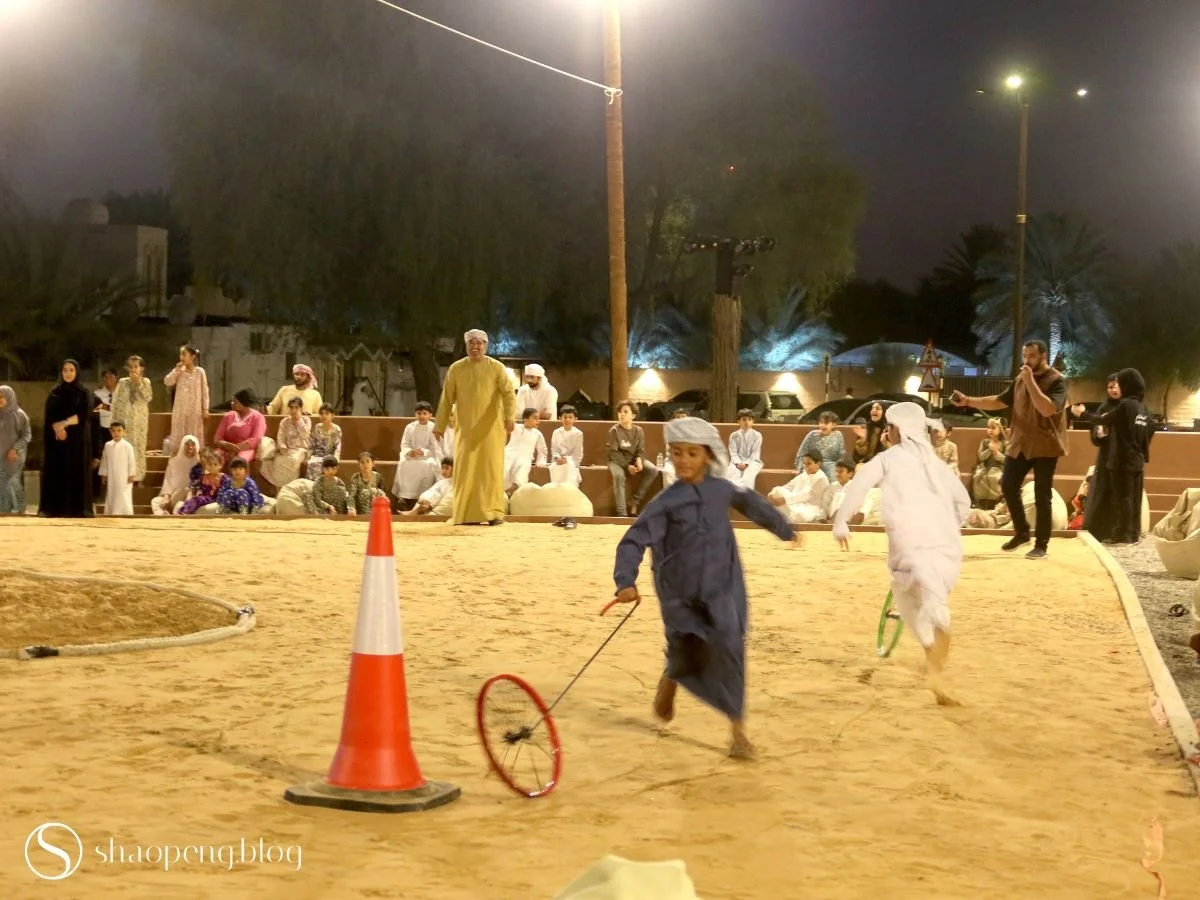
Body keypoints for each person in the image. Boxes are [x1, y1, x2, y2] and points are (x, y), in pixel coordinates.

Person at [611, 416, 800, 760]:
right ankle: (672, 675)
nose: (683, 460)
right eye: (677, 453)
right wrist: (626, 581)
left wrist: (785, 529)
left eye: (692, 453)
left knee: (730, 646)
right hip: (679, 591)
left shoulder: (722, 489)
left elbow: (754, 505)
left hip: (722, 586)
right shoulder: (665, 502)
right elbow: (633, 541)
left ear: (709, 456)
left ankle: (737, 732)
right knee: (686, 647)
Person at [831, 402, 972, 705]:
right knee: (931, 605)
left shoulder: (888, 459)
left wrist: (841, 521)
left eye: (889, 427)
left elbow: (858, 487)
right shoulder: (936, 464)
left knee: (917, 608)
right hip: (940, 548)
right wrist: (949, 526)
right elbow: (963, 502)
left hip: (909, 548)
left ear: (896, 430)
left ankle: (935, 670)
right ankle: (935, 668)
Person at [951, 339, 1068, 560]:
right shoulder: (1021, 379)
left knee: (1042, 494)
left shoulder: (1057, 381)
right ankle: (1022, 532)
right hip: (1021, 443)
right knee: (1007, 485)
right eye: (1025, 356)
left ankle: (1041, 544)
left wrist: (1030, 381)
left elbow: (1047, 409)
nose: (1027, 361)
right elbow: (999, 401)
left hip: (1046, 445)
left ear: (1043, 356)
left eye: (1031, 356)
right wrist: (968, 401)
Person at [433, 329, 517, 526]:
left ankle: (494, 514)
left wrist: (509, 417)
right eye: (472, 343)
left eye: (479, 343)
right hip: (466, 430)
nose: (475, 346)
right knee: (465, 471)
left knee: (490, 471)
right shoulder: (456, 369)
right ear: (466, 345)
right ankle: (466, 514)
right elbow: (447, 399)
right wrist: (440, 424)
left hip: (491, 429)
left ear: (485, 345)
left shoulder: (496, 368)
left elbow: (508, 394)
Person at [1071, 367, 1153, 544]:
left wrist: (1083, 414)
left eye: (1120, 384)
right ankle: (1132, 533)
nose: (1117, 389)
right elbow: (1150, 429)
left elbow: (1103, 420)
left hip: (1121, 460)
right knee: (1133, 497)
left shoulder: (1125, 405)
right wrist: (1139, 447)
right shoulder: (1142, 407)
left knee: (1122, 498)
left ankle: (1122, 534)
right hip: (1136, 460)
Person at [39, 359, 94, 518]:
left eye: (71, 370)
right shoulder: (55, 392)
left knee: (76, 471)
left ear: (76, 372)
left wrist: (64, 424)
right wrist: (57, 428)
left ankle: (78, 509)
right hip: (58, 441)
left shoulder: (84, 392)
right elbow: (49, 416)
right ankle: (53, 508)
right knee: (57, 470)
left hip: (77, 441)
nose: (68, 373)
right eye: (65, 370)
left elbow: (85, 414)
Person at [1074, 374, 1121, 540]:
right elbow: (1096, 434)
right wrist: (1099, 434)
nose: (1113, 390)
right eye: (1110, 387)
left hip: (1122, 460)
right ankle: (1099, 531)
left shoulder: (1128, 406)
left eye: (1116, 386)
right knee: (1102, 493)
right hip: (1106, 457)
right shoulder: (1104, 408)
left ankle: (1116, 531)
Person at [607, 400, 660, 517]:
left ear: (633, 416)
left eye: (625, 412)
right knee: (619, 475)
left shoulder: (639, 431)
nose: (621, 414)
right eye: (620, 412)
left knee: (653, 470)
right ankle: (622, 513)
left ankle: (635, 501)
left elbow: (640, 450)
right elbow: (613, 453)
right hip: (617, 461)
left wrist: (639, 460)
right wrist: (627, 466)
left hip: (632, 459)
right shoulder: (614, 431)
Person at [110, 355, 152, 483]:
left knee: (138, 448)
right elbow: (116, 402)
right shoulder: (123, 382)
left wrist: (138, 383)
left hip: (139, 422)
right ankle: (123, 476)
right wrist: (114, 422)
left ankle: (138, 477)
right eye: (131, 366)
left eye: (136, 366)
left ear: (141, 369)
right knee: (124, 448)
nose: (133, 369)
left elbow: (148, 397)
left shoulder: (145, 382)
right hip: (125, 421)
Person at [394, 400, 441, 507]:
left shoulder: (433, 427)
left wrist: (423, 452)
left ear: (430, 415)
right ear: (415, 414)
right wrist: (410, 451)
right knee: (403, 463)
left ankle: (423, 496)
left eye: (424, 413)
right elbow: (405, 443)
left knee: (427, 465)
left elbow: (435, 447)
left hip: (427, 456)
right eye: (419, 413)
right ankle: (404, 496)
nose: (422, 416)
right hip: (412, 455)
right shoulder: (410, 427)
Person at [164, 345, 209, 456]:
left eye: (184, 354)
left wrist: (205, 408)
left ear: (192, 356)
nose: (181, 357)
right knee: (179, 435)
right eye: (181, 354)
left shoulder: (200, 372)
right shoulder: (179, 371)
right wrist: (176, 370)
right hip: (180, 410)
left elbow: (205, 390)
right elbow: (167, 381)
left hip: (195, 410)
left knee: (193, 435)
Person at [260, 396, 311, 488]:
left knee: (293, 460)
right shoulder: (285, 421)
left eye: (296, 407)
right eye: (291, 407)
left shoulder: (306, 420)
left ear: (301, 408)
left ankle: (291, 488)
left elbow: (305, 435)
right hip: (287, 449)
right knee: (278, 461)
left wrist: (299, 420)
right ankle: (279, 488)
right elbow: (280, 437)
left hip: (301, 449)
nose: (294, 410)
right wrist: (282, 446)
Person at [768, 451, 829, 524]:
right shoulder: (804, 474)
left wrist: (784, 500)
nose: (805, 466)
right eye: (804, 463)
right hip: (795, 503)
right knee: (777, 491)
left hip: (810, 509)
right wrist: (772, 494)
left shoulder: (822, 479)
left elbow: (806, 495)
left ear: (818, 464)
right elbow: (788, 486)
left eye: (809, 463)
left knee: (799, 515)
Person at [213, 388, 267, 468]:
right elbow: (217, 437)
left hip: (246, 449)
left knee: (239, 462)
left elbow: (255, 439)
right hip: (226, 448)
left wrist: (235, 449)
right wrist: (225, 445)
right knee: (214, 458)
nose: (232, 403)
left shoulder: (258, 417)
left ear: (244, 404)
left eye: (235, 401)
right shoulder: (228, 416)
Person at [0, 385, 32, 514]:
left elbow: (26, 435)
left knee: (12, 481)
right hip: (1, 454)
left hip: (15, 455)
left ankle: (19, 508)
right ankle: (5, 510)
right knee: (2, 483)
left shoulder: (20, 415)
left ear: (9, 397)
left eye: (2, 396)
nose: (0, 399)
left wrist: (15, 449)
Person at [152, 434, 201, 515]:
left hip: (191, 497)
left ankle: (177, 512)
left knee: (185, 491)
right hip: (174, 496)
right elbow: (167, 481)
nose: (190, 447)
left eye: (193, 445)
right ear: (182, 446)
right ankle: (163, 515)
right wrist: (166, 497)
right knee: (155, 501)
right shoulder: (173, 462)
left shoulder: (200, 463)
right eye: (187, 445)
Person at [503, 407, 548, 493]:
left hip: (525, 456)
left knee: (523, 466)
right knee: (505, 465)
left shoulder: (537, 434)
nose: (538, 421)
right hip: (509, 454)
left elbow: (542, 450)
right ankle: (501, 489)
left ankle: (513, 488)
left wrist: (541, 461)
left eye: (538, 418)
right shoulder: (516, 427)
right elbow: (507, 423)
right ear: (526, 420)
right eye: (535, 418)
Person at [99, 421, 138, 515]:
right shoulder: (108, 445)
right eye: (114, 431)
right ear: (110, 432)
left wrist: (131, 474)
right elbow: (104, 460)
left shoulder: (127, 446)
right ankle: (112, 512)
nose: (116, 433)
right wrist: (104, 474)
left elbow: (131, 461)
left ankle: (125, 512)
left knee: (123, 494)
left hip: (124, 476)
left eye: (119, 430)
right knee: (112, 493)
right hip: (112, 475)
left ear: (124, 432)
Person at [796, 411, 845, 482]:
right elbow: (802, 451)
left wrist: (839, 468)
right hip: (813, 463)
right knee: (805, 476)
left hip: (830, 464)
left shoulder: (838, 435)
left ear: (834, 425)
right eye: (821, 422)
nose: (822, 425)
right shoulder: (812, 435)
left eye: (826, 423)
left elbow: (841, 454)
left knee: (832, 474)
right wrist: (799, 468)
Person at [971, 418, 1008, 509]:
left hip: (998, 469)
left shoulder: (1004, 444)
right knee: (978, 477)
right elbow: (981, 457)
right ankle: (980, 502)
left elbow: (1006, 460)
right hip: (985, 468)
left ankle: (995, 503)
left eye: (993, 428)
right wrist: (989, 450)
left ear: (1000, 430)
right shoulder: (984, 442)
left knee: (995, 478)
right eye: (988, 428)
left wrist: (996, 453)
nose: (990, 430)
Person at [177, 451, 227, 515]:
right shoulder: (204, 476)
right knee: (192, 499)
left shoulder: (222, 477)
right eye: (209, 464)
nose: (212, 467)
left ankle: (183, 512)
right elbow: (195, 486)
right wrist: (194, 491)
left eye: (215, 464)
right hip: (203, 497)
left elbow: (225, 490)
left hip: (213, 498)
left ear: (220, 466)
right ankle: (179, 512)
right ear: (206, 465)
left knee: (196, 499)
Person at [727, 409, 764, 491]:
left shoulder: (757, 435)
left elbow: (755, 452)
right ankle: (733, 497)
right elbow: (733, 452)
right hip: (736, 462)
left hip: (753, 461)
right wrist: (738, 463)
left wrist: (746, 464)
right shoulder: (734, 435)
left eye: (749, 420)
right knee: (731, 474)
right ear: (738, 421)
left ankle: (745, 497)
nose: (747, 422)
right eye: (744, 420)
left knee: (748, 476)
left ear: (753, 422)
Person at [306, 403, 343, 480]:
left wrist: (336, 459)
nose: (324, 416)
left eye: (327, 413)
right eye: (321, 413)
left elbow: (338, 446)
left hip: (330, 455)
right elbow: (311, 444)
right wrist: (307, 456)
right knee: (312, 463)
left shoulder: (337, 429)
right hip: (317, 455)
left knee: (327, 464)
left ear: (332, 415)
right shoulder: (317, 428)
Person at [549, 405, 584, 485]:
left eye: (570, 417)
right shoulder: (556, 432)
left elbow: (577, 453)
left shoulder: (578, 434)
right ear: (560, 418)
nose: (567, 419)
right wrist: (557, 458)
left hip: (571, 461)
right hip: (558, 461)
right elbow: (554, 449)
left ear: (575, 419)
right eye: (565, 417)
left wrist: (567, 460)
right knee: (555, 469)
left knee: (569, 468)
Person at [659, 409, 690, 489]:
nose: (681, 420)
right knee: (668, 472)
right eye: (678, 418)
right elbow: (669, 452)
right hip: (672, 462)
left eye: (683, 418)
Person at [821, 458, 856, 523]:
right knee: (839, 496)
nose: (837, 474)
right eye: (836, 471)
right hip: (832, 518)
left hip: (850, 519)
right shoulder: (832, 487)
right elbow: (825, 505)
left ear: (850, 474)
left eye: (840, 472)